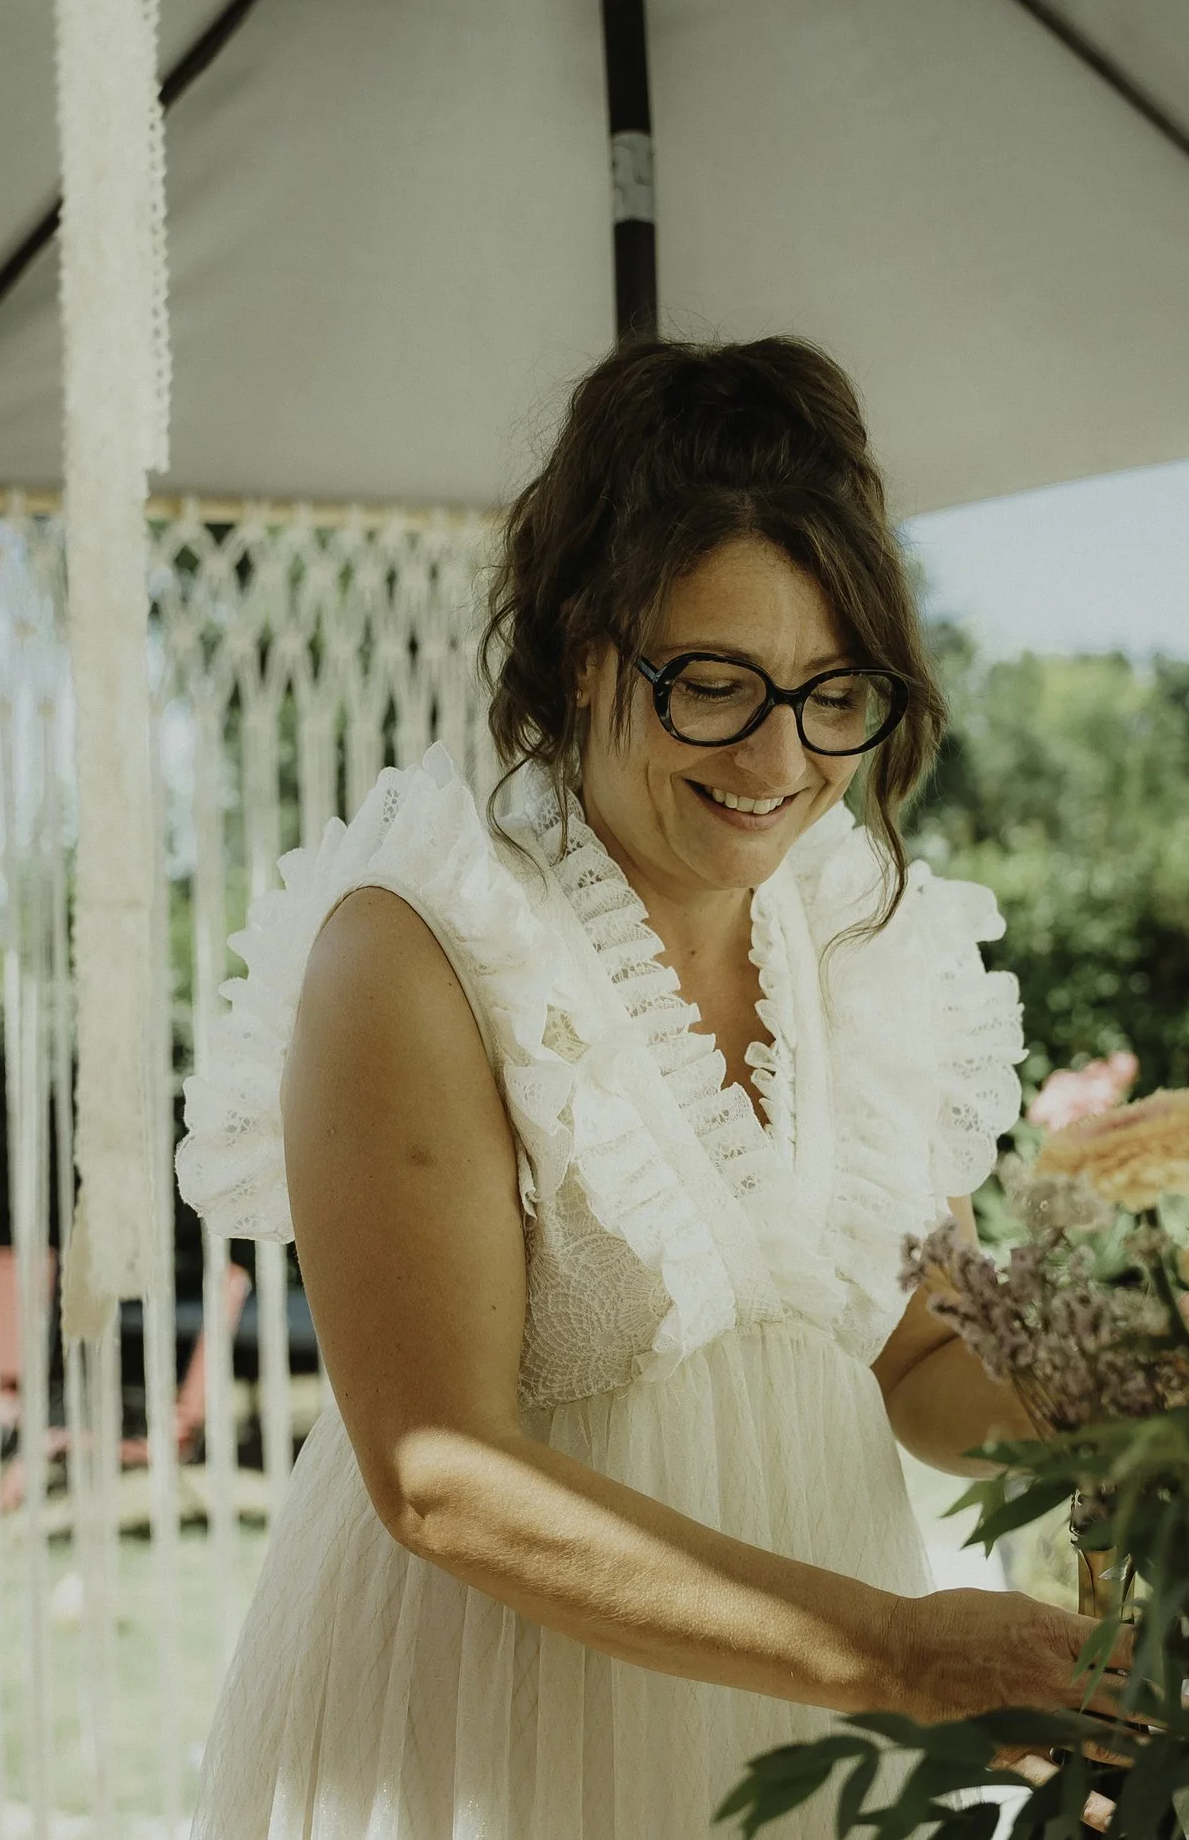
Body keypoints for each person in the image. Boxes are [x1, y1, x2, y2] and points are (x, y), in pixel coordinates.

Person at [176, 336, 1107, 1839]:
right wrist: (894, 1646)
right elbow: (441, 1477)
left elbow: (916, 1356)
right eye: (716, 684)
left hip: (809, 1740)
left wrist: (1154, 1387)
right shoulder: (422, 950)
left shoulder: (860, 937)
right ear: (586, 648)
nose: (781, 755)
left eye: (832, 693)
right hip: (506, 1733)